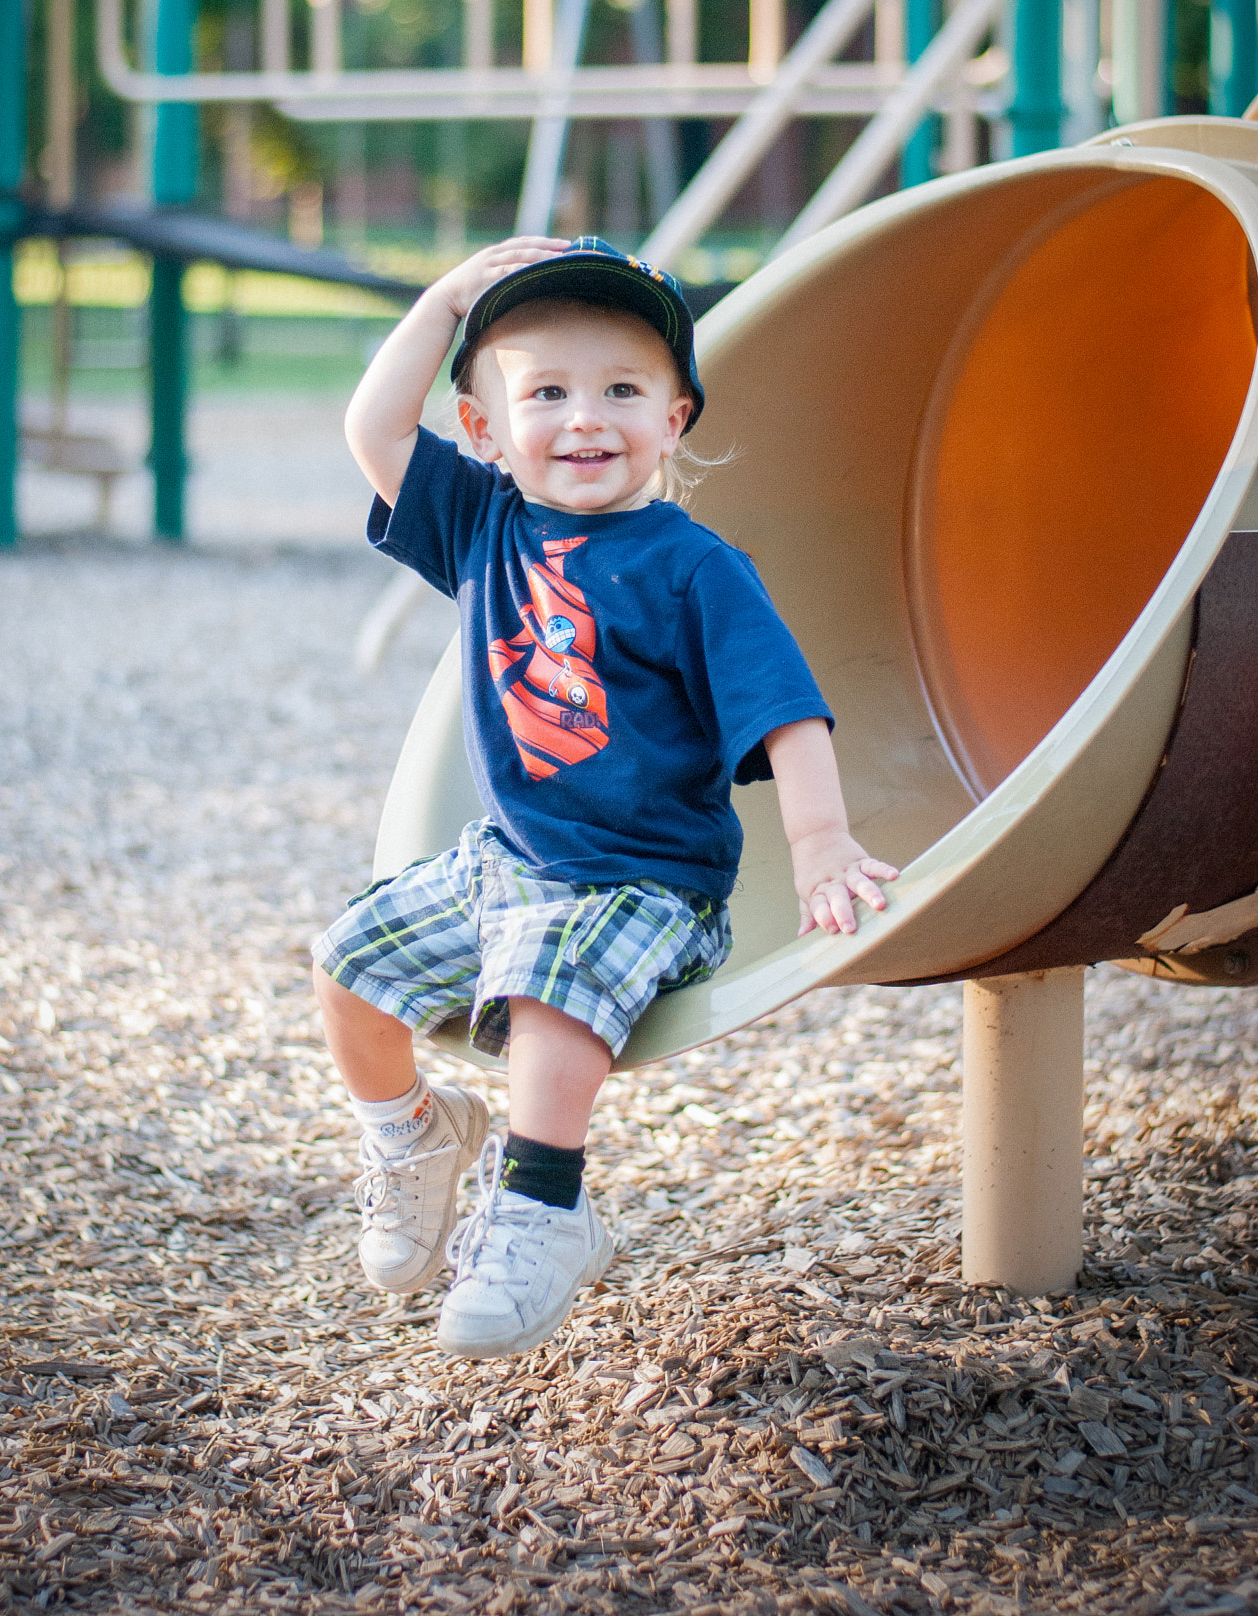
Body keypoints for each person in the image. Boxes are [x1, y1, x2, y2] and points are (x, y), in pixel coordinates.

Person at [313, 233, 897, 1358]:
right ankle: (415, 1135)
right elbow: (373, 431)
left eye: (623, 388)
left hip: (644, 882)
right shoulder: (485, 522)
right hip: (507, 861)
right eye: (547, 392)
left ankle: (543, 1210)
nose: (586, 417)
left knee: (546, 978)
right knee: (348, 960)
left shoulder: (694, 567)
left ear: (675, 418)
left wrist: (821, 839)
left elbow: (787, 708)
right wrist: (443, 300)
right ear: (485, 428)